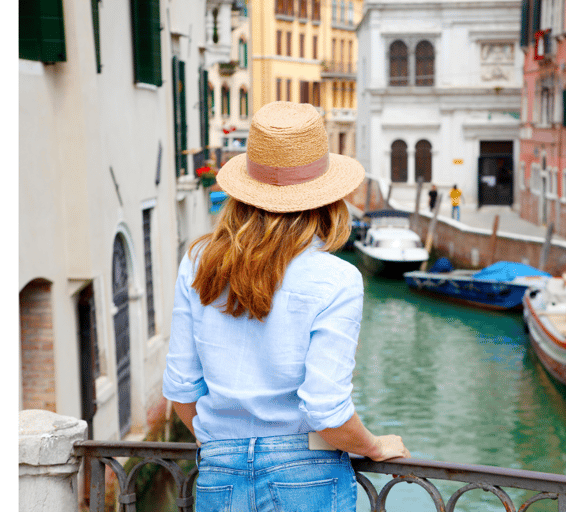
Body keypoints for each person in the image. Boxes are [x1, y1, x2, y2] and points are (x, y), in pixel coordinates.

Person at [162, 102, 410, 512]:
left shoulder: (197, 262)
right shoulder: (337, 279)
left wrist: (230, 446)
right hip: (307, 474)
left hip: (219, 472)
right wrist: (373, 446)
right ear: (327, 199)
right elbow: (325, 410)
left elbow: (181, 390)